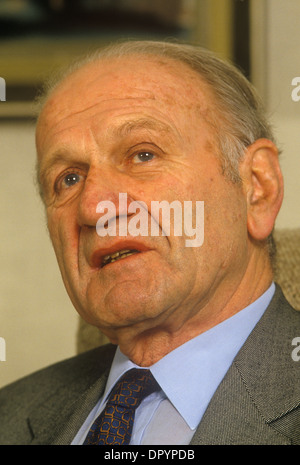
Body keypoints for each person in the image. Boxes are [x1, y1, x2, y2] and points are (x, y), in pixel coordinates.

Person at [0, 40, 299, 445]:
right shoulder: (11, 415)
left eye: (143, 155)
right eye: (68, 179)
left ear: (257, 188)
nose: (93, 207)